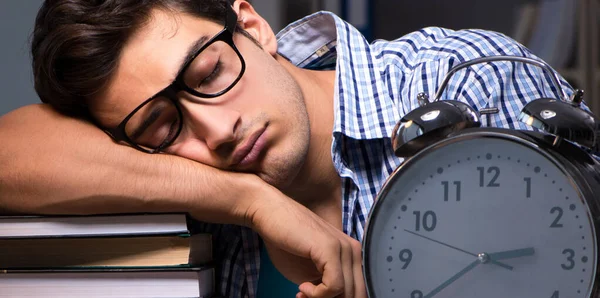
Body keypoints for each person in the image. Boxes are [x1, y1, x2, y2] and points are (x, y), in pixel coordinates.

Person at [0, 0, 574, 297]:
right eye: (160, 126)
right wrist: (250, 200)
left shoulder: (465, 81)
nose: (217, 131)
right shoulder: (181, 182)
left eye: (208, 73)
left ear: (252, 28)